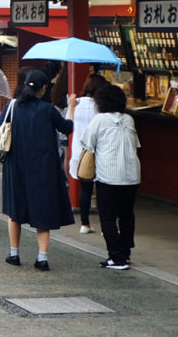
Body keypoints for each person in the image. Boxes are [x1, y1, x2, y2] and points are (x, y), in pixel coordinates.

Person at [0, 69, 75, 270]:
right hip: (43, 167)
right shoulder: (47, 109)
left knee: (15, 211)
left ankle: (14, 253)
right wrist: (72, 108)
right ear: (43, 89)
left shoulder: (12, 106)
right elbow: (67, 127)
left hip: (15, 166)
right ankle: (42, 258)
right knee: (42, 210)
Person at [80, 83, 139, 269]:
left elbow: (87, 144)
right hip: (131, 176)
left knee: (108, 217)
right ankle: (125, 253)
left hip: (109, 176)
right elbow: (135, 144)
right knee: (127, 215)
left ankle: (116, 257)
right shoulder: (129, 119)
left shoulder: (99, 120)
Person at [69, 73, 107, 234]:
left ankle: (85, 223)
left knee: (85, 189)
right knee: (103, 190)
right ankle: (107, 224)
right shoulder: (101, 106)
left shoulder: (76, 103)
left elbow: (68, 123)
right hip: (100, 153)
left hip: (80, 153)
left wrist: (71, 105)